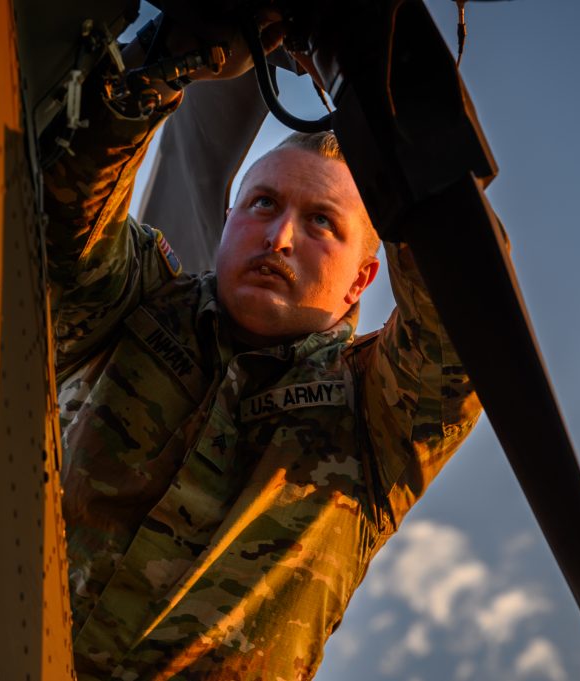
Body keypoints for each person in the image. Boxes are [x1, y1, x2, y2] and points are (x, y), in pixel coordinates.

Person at [43, 14, 482, 680]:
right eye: (262, 204)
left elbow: (460, 333)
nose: (279, 238)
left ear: (365, 276)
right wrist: (175, 54)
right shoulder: (138, 303)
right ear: (225, 225)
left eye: (321, 225)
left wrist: (394, 112)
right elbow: (64, 221)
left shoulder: (374, 421)